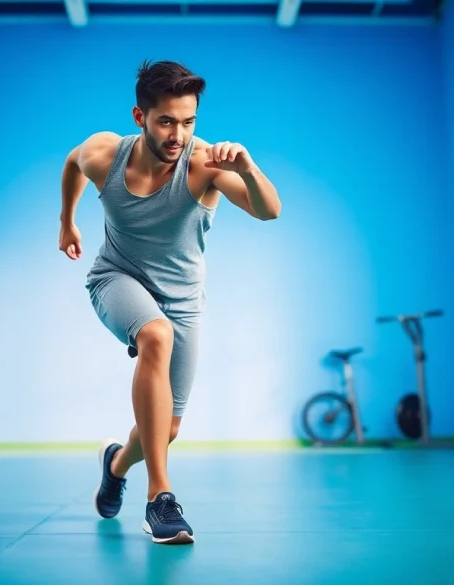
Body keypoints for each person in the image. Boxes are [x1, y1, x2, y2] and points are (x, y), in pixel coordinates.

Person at [58, 60, 282, 545]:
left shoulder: (205, 164)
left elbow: (269, 211)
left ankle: (116, 463)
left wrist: (247, 167)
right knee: (153, 335)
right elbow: (73, 163)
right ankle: (160, 498)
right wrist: (66, 220)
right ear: (140, 116)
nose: (178, 133)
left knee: (167, 428)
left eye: (188, 121)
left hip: (183, 300)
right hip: (116, 277)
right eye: (166, 121)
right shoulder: (105, 154)